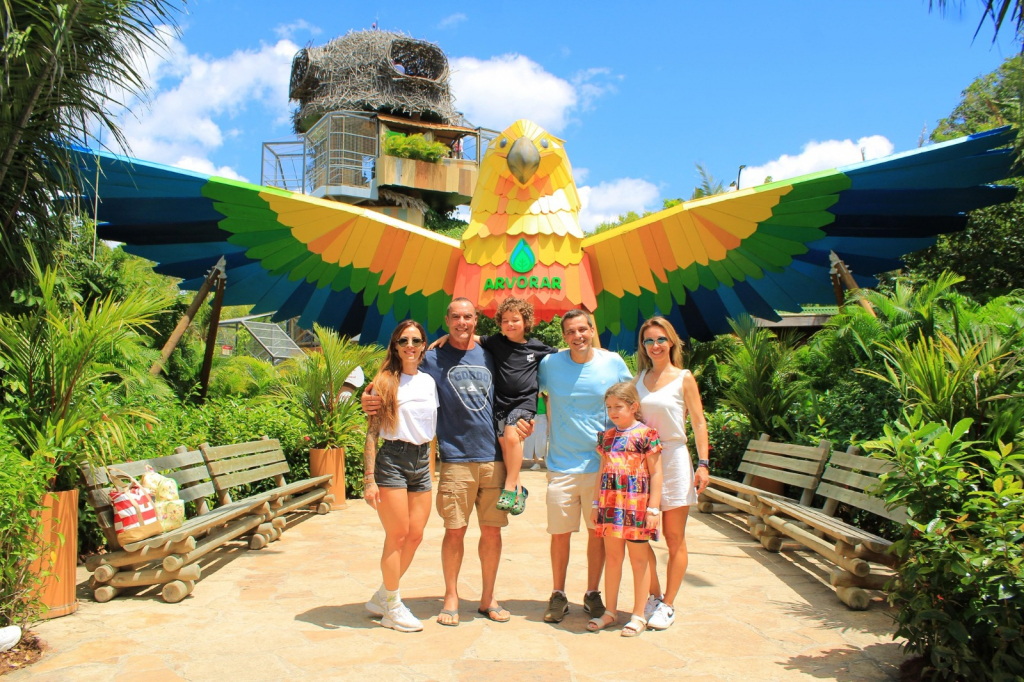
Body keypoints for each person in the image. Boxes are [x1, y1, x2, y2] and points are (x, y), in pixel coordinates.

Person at [361, 299, 525, 626]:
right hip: (452, 459)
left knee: (489, 533)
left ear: (476, 321)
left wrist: (524, 419)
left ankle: (487, 598)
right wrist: (368, 397)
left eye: (468, 317)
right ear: (446, 320)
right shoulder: (431, 359)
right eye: (456, 317)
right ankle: (446, 597)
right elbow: (392, 376)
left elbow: (520, 384)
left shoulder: (491, 351)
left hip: (492, 457)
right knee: (452, 530)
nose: (462, 322)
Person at [537, 309, 632, 623]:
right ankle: (558, 594)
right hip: (561, 465)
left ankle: (592, 593)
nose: (578, 336)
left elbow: (633, 402)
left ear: (592, 330)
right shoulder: (550, 365)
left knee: (597, 534)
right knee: (560, 534)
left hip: (600, 467)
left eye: (583, 330)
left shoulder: (612, 363)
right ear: (564, 336)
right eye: (571, 332)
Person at [429, 297, 557, 515]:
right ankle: (517, 488)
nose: (510, 324)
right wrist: (445, 336)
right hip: (501, 403)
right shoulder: (496, 342)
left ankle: (509, 486)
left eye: (515, 320)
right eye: (505, 320)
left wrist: (598, 354)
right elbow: (471, 335)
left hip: (523, 403)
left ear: (526, 322)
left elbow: (563, 355)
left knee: (510, 437)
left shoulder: (536, 348)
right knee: (504, 444)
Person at [633, 316, 710, 631]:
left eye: (661, 339)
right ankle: (654, 594)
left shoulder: (684, 378)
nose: (655, 346)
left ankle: (668, 604)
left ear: (672, 342)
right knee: (639, 537)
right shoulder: (638, 379)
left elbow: (699, 420)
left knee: (674, 537)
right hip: (642, 464)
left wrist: (703, 463)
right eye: (649, 340)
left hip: (675, 459)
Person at [362, 321, 438, 632]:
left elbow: (430, 433)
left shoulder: (429, 382)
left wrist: (430, 470)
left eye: (416, 340)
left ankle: (382, 595)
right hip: (392, 460)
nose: (410, 345)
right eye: (404, 340)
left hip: (422, 462)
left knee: (416, 535)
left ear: (423, 346)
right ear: (395, 345)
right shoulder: (383, 381)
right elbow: (371, 434)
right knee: (398, 535)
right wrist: (368, 479)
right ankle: (392, 606)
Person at [587, 382, 663, 636]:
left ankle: (639, 615)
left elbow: (656, 473)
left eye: (618, 406)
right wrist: (597, 503)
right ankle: (610, 612)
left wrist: (653, 509)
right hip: (610, 505)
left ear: (633, 406)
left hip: (637, 507)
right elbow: (602, 471)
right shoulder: (607, 437)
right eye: (609, 407)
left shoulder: (646, 435)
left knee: (639, 560)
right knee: (614, 559)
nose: (613, 412)